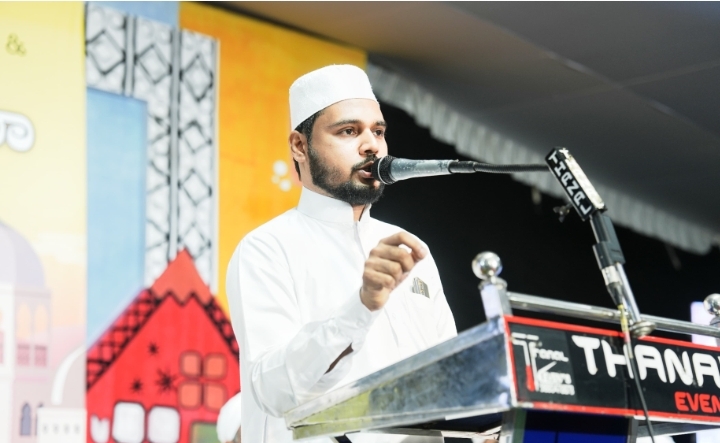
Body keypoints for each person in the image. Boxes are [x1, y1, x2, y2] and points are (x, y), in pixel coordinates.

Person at [226, 65, 457, 443]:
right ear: (300, 146)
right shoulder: (268, 247)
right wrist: (362, 306)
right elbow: (273, 390)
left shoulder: (410, 249)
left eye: (378, 132)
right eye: (349, 131)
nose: (372, 146)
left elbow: (452, 378)